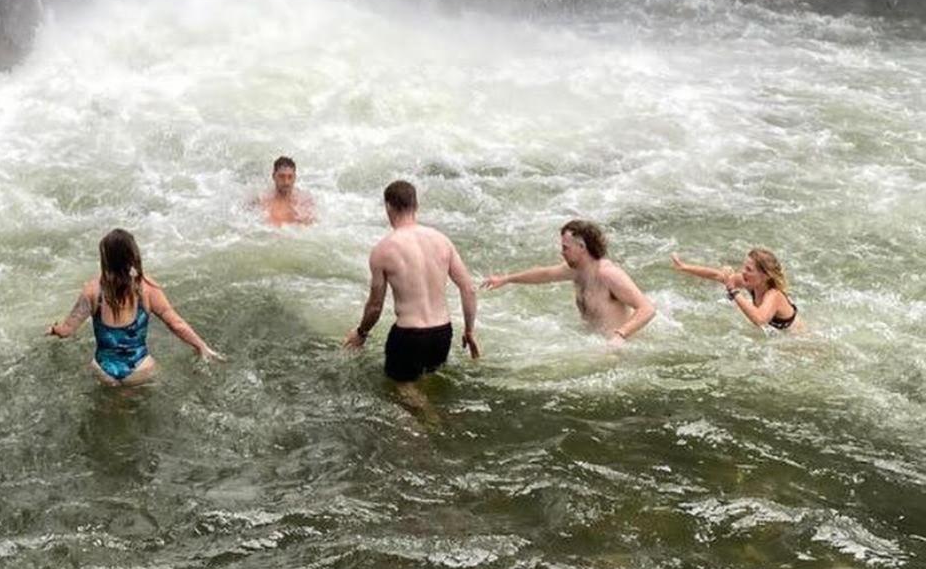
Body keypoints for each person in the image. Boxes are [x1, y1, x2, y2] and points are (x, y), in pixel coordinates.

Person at [342, 179, 481, 382]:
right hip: (442, 333)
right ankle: (433, 412)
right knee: (428, 382)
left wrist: (361, 333)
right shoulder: (442, 241)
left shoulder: (383, 250)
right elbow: (468, 289)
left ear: (388, 207)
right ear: (416, 206)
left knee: (400, 389)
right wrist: (469, 331)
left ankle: (430, 415)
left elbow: (374, 306)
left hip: (409, 334)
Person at [46, 228, 223, 385]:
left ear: (105, 259)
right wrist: (202, 347)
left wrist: (54, 329)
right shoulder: (146, 288)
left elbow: (67, 330)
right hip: (140, 369)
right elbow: (175, 323)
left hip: (103, 370)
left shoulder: (92, 291)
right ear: (132, 256)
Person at [483, 220, 655, 344]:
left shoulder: (608, 274)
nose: (562, 252)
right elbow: (544, 274)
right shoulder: (576, 270)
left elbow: (647, 308)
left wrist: (620, 335)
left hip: (616, 348)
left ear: (582, 247)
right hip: (593, 343)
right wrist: (506, 279)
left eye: (566, 248)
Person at [671, 247, 801, 331]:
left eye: (749, 270)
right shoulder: (751, 282)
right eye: (744, 267)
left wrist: (734, 291)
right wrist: (684, 267)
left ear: (766, 275)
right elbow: (718, 275)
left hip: (797, 339)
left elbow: (759, 320)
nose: (743, 272)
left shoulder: (774, 295)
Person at [261, 154, 315, 226]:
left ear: (295, 177)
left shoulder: (304, 202)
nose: (286, 182)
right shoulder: (263, 201)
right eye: (281, 176)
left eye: (290, 177)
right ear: (274, 176)